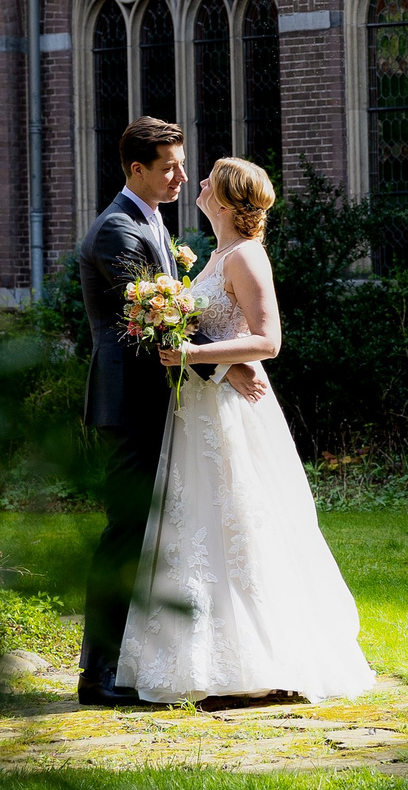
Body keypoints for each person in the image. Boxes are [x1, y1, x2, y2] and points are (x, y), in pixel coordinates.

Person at [115, 155, 377, 706]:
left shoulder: (247, 257)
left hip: (234, 412)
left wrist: (195, 352)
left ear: (229, 200)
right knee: (203, 527)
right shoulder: (215, 256)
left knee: (241, 526)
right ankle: (208, 661)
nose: (199, 183)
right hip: (203, 408)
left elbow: (268, 341)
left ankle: (264, 661)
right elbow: (217, 327)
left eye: (208, 179)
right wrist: (207, 355)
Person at [75, 116, 252, 706]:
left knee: (154, 533)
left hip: (163, 400)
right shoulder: (117, 232)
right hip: (131, 405)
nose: (181, 175)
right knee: (126, 534)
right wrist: (227, 365)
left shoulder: (151, 222)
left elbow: (175, 316)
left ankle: (133, 663)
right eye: (170, 166)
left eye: (181, 163)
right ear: (136, 170)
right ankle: (96, 676)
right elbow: (158, 326)